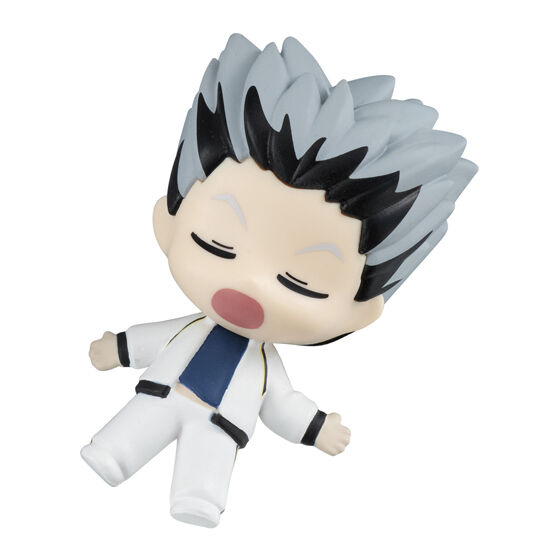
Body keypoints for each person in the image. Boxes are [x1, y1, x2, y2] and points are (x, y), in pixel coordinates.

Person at [82, 33, 477, 527]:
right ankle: (112, 454)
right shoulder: (194, 334)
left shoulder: (265, 367)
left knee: (207, 464)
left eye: (301, 282)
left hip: (222, 425)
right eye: (216, 245)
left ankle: (198, 498)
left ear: (361, 312)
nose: (251, 284)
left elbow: (282, 404)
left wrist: (315, 427)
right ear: (168, 221)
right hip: (159, 394)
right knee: (130, 430)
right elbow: (151, 340)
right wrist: (119, 348)